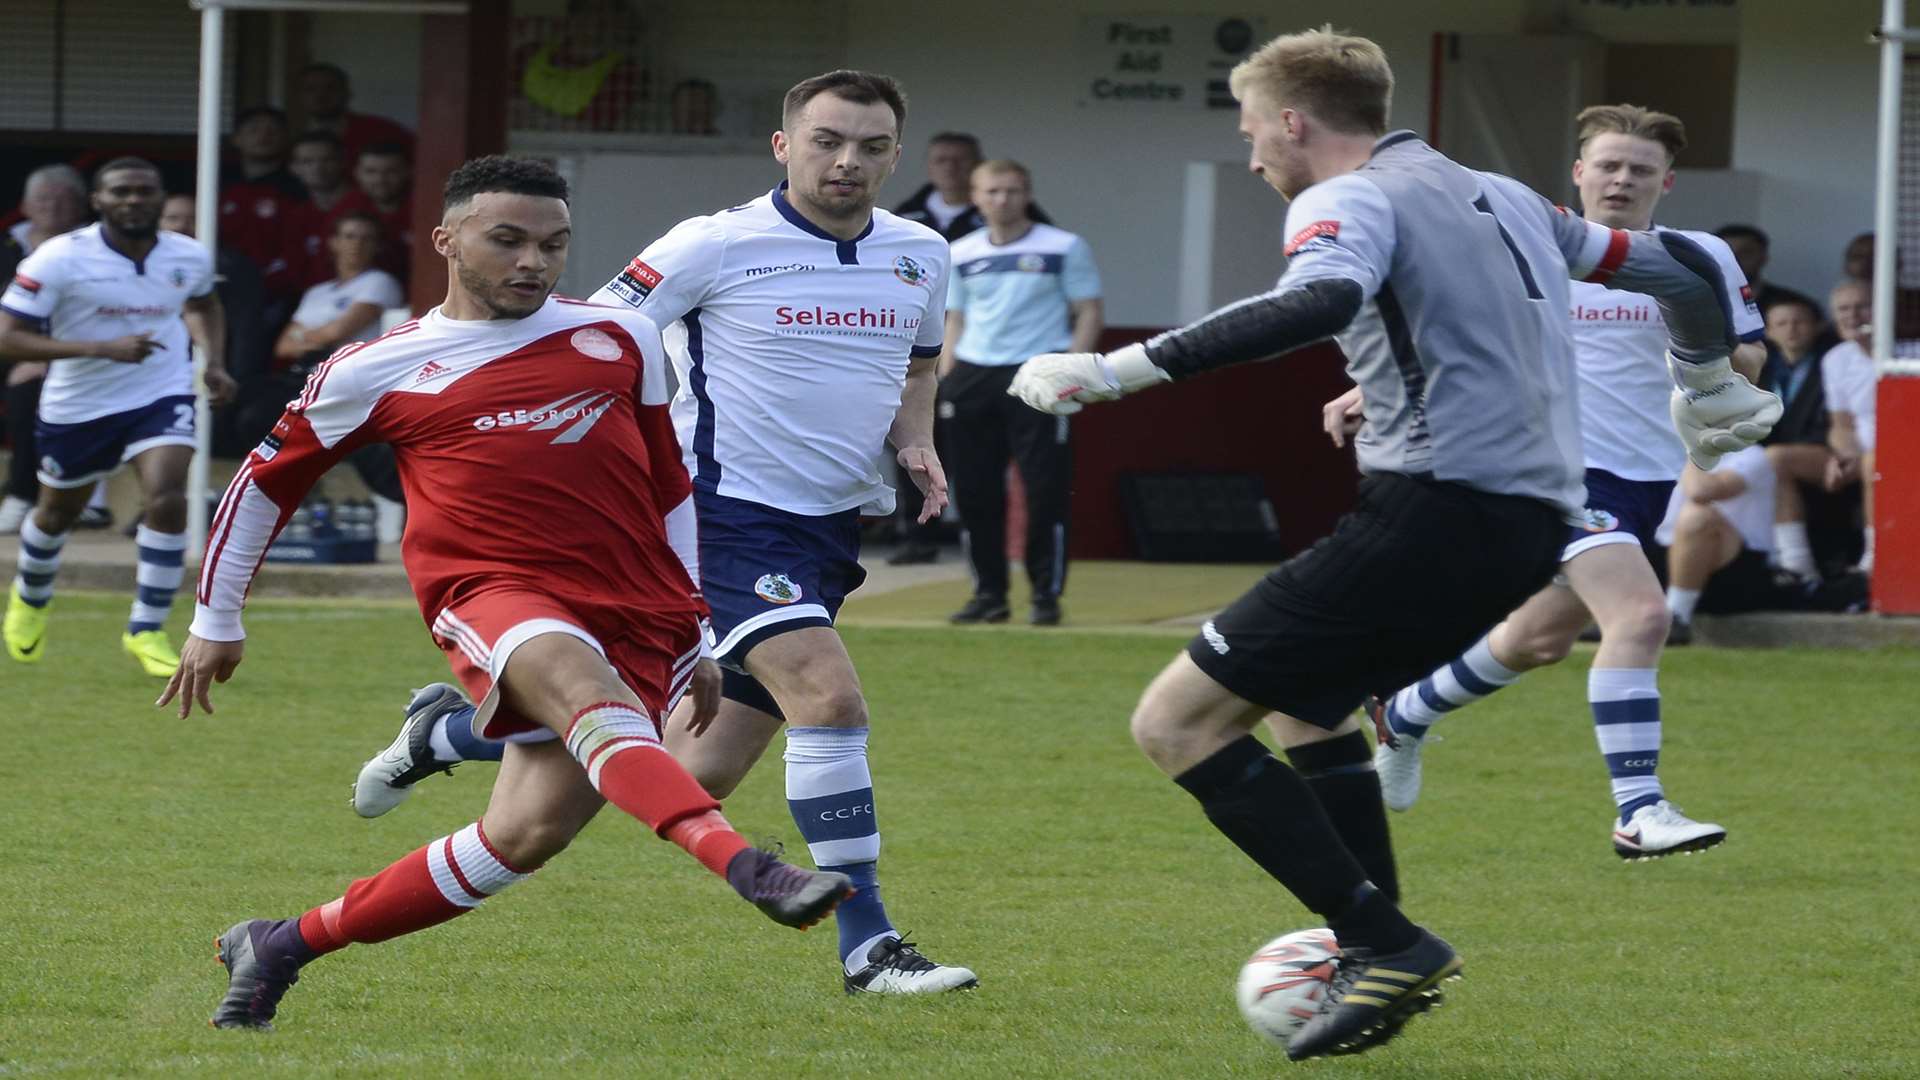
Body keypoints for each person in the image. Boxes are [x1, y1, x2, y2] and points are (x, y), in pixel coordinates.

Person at [1005, 29, 1775, 1060]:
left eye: (1248, 132)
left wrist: (1115, 373)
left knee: (1176, 724)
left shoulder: (1345, 200)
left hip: (1433, 511)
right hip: (1528, 525)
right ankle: (1377, 944)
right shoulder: (1507, 195)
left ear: (1292, 119)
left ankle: (1384, 940)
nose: (1251, 159)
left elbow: (1319, 301)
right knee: (1301, 709)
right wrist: (1709, 373)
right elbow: (1673, 269)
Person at [166, 155, 852, 1031]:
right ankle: (748, 868)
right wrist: (216, 617)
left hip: (636, 602)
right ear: (446, 240)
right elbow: (262, 485)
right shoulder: (375, 367)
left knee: (522, 838)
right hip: (493, 590)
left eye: (554, 244)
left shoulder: (620, 337)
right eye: (509, 240)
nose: (534, 261)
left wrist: (694, 621)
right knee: (585, 694)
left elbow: (669, 482)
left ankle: (283, 943)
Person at [348, 70, 980, 997]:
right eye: (828, 140)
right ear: (784, 144)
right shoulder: (714, 244)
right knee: (829, 699)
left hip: (828, 530)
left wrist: (915, 439)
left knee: (687, 767)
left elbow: (918, 363)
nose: (849, 161)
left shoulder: (922, 251)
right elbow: (588, 339)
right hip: (720, 516)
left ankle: (452, 735)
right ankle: (871, 946)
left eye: (872, 146)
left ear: (896, 155)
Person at [1368, 105, 1763, 859]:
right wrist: (1371, 389)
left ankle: (1407, 711)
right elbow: (1447, 336)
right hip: (1550, 470)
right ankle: (1639, 809)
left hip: (1646, 480)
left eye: (1640, 169)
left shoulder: (1695, 253)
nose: (1622, 180)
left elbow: (1750, 366)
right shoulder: (1528, 245)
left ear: (1666, 182)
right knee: (1641, 618)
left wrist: (1705, 355)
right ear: (1579, 172)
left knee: (1538, 639)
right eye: (1608, 165)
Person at [0, 158, 237, 674]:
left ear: (159, 198)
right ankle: (30, 597)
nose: (134, 200)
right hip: (79, 404)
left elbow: (203, 304)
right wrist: (100, 348)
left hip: (161, 389)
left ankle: (146, 628)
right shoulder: (59, 258)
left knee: (169, 496)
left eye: (144, 191)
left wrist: (212, 361)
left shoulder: (187, 254)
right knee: (57, 512)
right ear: (99, 202)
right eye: (121, 192)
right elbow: (7, 337)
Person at [942, 159, 1102, 626]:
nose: (1002, 200)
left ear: (1027, 193)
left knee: (1044, 491)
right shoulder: (961, 252)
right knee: (973, 492)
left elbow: (1089, 312)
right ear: (975, 196)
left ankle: (1045, 597)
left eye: (1012, 191)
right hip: (973, 376)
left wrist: (1074, 371)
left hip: (1039, 375)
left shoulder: (1064, 246)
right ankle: (988, 595)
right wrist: (945, 378)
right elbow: (956, 319)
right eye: (992, 191)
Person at [2, 165, 92, 535]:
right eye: (43, 198)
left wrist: (45, 356)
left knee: (28, 396)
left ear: (83, 206)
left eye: (63, 198)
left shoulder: (94, 251)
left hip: (65, 355)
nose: (52, 206)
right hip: (7, 347)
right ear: (24, 205)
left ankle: (21, 494)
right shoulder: (5, 247)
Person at [1757, 293, 1837, 580]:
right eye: (1782, 323)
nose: (1791, 329)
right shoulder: (1760, 368)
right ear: (1768, 330)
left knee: (1775, 459)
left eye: (1800, 322)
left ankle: (1797, 563)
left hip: (1827, 452)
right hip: (1768, 456)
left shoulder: (1834, 361)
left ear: (1818, 326)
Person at [1659, 446, 1779, 637]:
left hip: (1736, 575)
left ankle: (1677, 617)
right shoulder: (1662, 453)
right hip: (1666, 561)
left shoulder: (1752, 455)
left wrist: (1693, 452)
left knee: (1697, 518)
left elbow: (1701, 491)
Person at [274, 212, 405, 367]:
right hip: (310, 372)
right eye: (350, 236)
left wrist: (300, 338)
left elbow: (336, 332)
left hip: (357, 371)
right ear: (334, 242)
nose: (357, 244)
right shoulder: (316, 292)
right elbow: (283, 347)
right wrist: (317, 339)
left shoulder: (381, 282)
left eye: (367, 238)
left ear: (377, 245)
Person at [1820, 284, 1877, 574]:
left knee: (1872, 463)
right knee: (1779, 459)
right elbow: (1841, 425)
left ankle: (1874, 556)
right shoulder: (1835, 359)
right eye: (1844, 309)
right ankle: (1794, 567)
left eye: (1862, 306)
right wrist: (1845, 455)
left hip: (1902, 453)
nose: (1853, 315)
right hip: (1861, 453)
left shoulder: (1910, 349)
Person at [296, 61, 416, 166]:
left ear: (347, 93)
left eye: (331, 88)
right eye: (310, 89)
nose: (320, 96)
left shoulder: (383, 131)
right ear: (299, 96)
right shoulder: (291, 138)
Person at [331, 144, 414, 285]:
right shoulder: (346, 206)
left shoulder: (424, 208)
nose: (380, 179)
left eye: (391, 171)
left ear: (409, 171)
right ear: (357, 173)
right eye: (371, 172)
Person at [287, 132, 355, 288]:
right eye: (307, 161)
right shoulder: (297, 214)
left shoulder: (363, 205)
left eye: (327, 160)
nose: (318, 168)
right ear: (293, 168)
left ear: (343, 162)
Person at [1715, 224, 1817, 319]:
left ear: (1764, 257)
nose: (1735, 260)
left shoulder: (1796, 307)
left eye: (1746, 253)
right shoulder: (1700, 301)